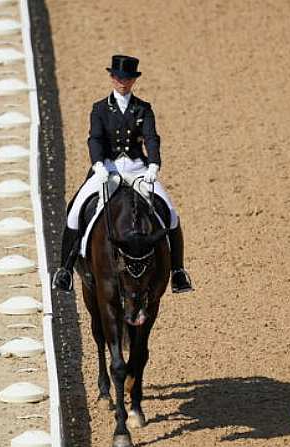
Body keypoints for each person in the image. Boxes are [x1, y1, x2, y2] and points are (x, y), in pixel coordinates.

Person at [51, 54, 193, 294]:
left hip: (138, 169)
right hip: (109, 169)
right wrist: (97, 165)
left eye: (127, 78)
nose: (122, 82)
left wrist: (154, 165)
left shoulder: (143, 108)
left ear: (133, 80)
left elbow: (151, 138)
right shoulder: (99, 109)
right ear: (112, 77)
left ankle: (178, 271)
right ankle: (64, 270)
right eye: (118, 77)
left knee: (170, 213)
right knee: (75, 210)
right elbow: (95, 138)